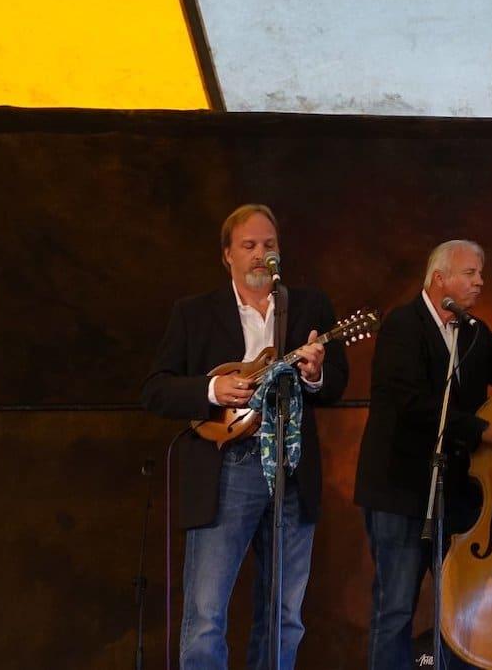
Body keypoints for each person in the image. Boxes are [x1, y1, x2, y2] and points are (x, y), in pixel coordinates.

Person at [142, 204, 349, 670]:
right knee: (206, 615)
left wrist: (316, 374)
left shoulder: (309, 307)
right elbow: (155, 389)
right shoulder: (194, 313)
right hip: (228, 468)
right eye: (249, 246)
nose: (261, 255)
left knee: (286, 616)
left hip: (292, 470)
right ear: (227, 256)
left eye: (269, 246)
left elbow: (336, 383)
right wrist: (212, 389)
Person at [353, 239, 492, 670]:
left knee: (463, 606)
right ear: (439, 279)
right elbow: (413, 405)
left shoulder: (474, 333)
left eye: (480, 274)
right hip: (400, 491)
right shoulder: (402, 327)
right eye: (471, 273)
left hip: (459, 496)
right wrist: (486, 431)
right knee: (395, 608)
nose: (480, 282)